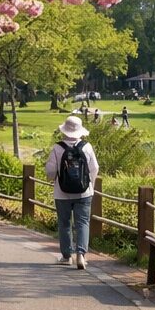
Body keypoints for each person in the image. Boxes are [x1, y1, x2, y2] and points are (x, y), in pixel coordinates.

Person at [45, 115, 99, 270]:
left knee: (64, 223)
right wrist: (91, 184)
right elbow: (94, 168)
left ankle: (66, 256)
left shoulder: (58, 148)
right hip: (84, 193)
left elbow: (50, 170)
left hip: (62, 193)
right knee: (82, 222)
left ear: (64, 131)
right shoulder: (86, 146)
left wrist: (52, 179)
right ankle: (81, 254)